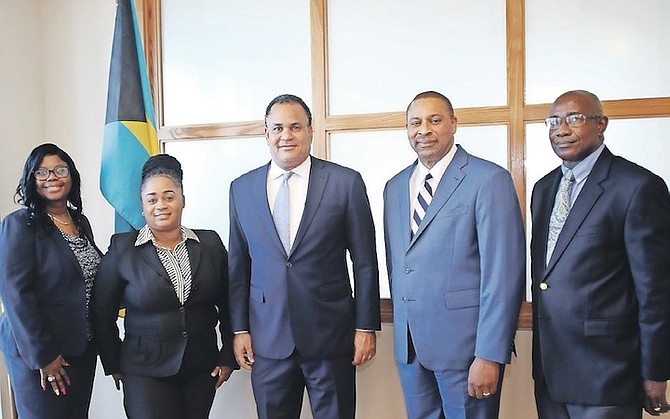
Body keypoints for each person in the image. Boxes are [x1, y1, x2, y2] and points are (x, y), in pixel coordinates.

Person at [228, 94, 380, 419]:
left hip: (331, 338)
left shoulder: (345, 183)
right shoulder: (241, 189)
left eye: (296, 126)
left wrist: (366, 327)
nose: (287, 135)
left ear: (310, 131)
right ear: (266, 133)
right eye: (278, 127)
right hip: (267, 341)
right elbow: (238, 268)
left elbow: (365, 263)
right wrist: (239, 329)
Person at [383, 91, 525, 419]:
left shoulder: (488, 180)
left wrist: (490, 354)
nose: (424, 130)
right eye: (415, 122)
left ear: (454, 124)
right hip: (411, 348)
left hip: (467, 352)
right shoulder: (394, 187)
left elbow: (503, 275)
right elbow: (398, 266)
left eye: (435, 120)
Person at [530, 90, 670, 419]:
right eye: (553, 121)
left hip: (608, 372)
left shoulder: (637, 186)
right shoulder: (544, 188)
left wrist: (656, 371)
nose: (561, 129)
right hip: (551, 370)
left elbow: (655, 291)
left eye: (575, 118)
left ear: (601, 124)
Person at [92, 154, 236, 419]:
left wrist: (228, 354)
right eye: (152, 199)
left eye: (169, 197)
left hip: (200, 368)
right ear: (142, 205)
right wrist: (113, 362)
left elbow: (229, 303)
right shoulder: (123, 248)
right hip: (143, 371)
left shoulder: (211, 243)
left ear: (183, 200)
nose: (161, 205)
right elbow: (102, 312)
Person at [0, 143, 101, 418]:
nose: (52, 178)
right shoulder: (19, 225)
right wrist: (44, 355)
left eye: (59, 170)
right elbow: (15, 294)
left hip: (80, 349)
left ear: (72, 176)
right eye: (42, 172)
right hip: (41, 355)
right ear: (31, 180)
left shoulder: (80, 222)